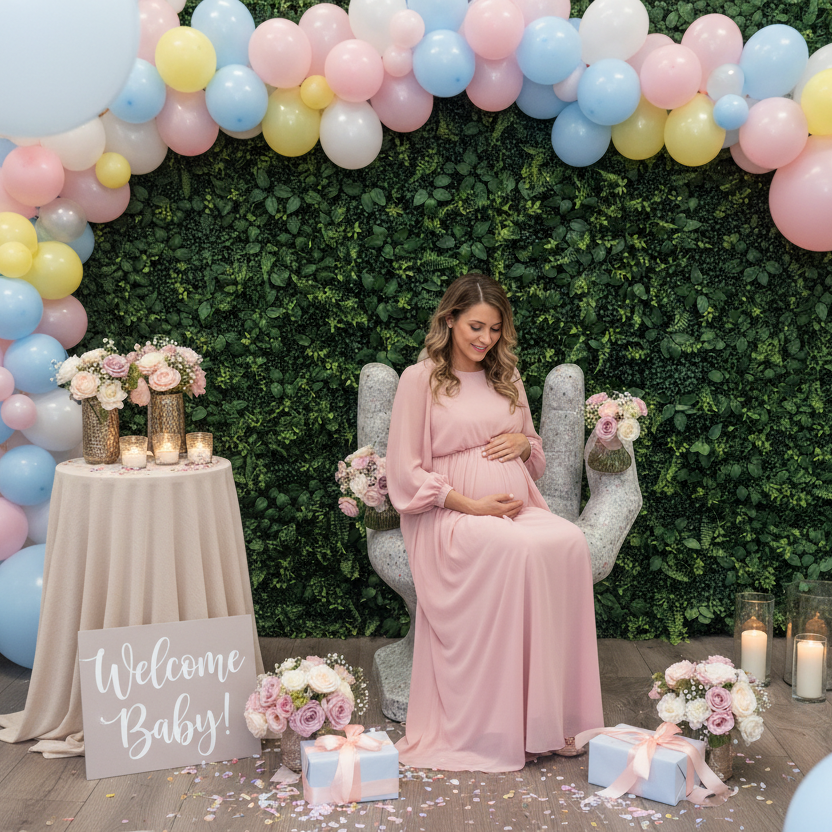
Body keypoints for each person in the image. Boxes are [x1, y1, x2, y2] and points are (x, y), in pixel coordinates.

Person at [386, 273, 603, 772]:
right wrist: (472, 504)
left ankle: (554, 717)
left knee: (569, 541)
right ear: (449, 320)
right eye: (476, 327)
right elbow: (405, 470)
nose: (486, 339)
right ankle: (502, 722)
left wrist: (526, 444)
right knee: (518, 551)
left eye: (495, 330)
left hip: (516, 507)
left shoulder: (508, 378)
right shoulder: (420, 379)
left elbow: (537, 452)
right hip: (447, 516)